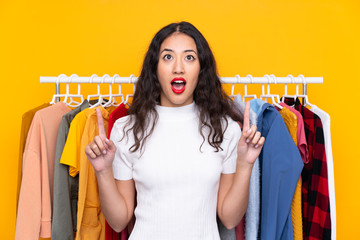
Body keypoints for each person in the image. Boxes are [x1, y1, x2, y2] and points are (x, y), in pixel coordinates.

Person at [85, 21, 265, 239]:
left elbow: (229, 218)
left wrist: (245, 165)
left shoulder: (225, 129)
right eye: (168, 57)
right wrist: (103, 171)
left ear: (201, 68)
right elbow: (118, 220)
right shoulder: (127, 129)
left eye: (189, 57)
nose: (178, 67)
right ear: (155, 68)